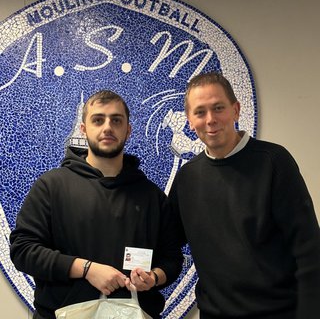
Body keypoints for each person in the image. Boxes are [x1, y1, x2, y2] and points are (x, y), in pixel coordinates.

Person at [10, 90, 183, 319]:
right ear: (84, 129)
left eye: (116, 120)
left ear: (128, 130)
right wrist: (87, 269)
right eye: (98, 120)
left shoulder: (152, 197)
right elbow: (23, 250)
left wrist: (154, 278)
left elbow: (172, 260)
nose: (108, 127)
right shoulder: (51, 186)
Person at [168, 71, 320, 319]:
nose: (210, 120)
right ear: (189, 121)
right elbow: (166, 240)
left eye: (218, 108)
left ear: (236, 110)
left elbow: (309, 249)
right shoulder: (187, 177)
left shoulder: (274, 162)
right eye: (200, 112)